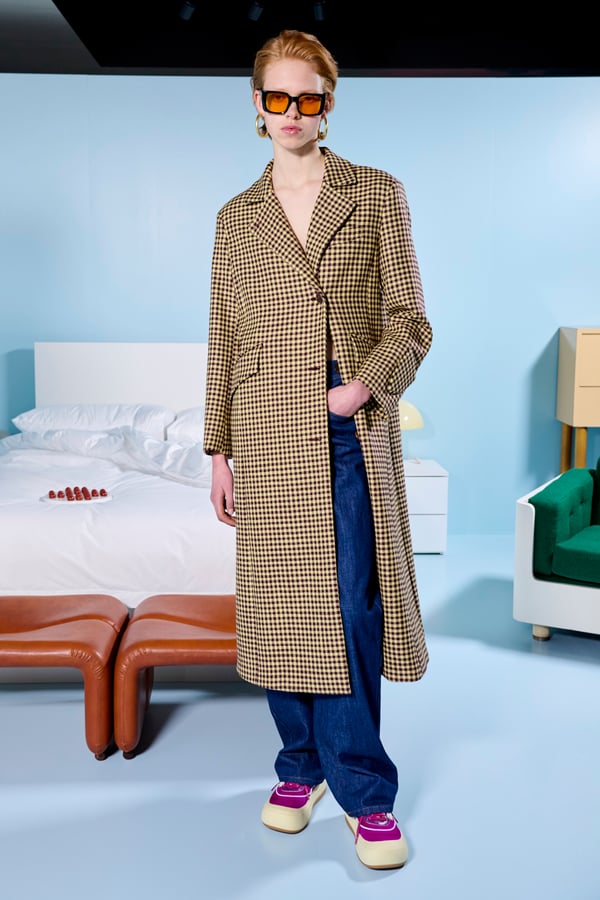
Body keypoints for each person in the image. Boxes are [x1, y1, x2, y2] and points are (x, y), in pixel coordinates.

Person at [203, 28, 432, 871]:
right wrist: (218, 450)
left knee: (349, 606)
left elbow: (412, 320)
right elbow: (225, 341)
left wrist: (359, 387)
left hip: (343, 427)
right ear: (257, 106)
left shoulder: (374, 193)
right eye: (277, 97)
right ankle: (299, 767)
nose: (292, 111)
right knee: (279, 609)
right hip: (263, 434)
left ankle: (365, 792)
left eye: (308, 97)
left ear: (327, 105)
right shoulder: (236, 218)